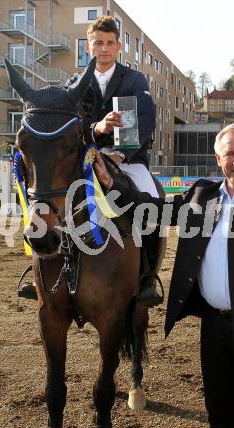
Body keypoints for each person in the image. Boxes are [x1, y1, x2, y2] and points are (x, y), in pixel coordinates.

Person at [94, 123, 234, 428]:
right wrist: (112, 183)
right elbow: (151, 211)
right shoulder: (200, 195)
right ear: (218, 158)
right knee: (220, 417)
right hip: (214, 330)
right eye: (229, 153)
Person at [68, 15, 163, 307]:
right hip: (87, 157)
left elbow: (146, 119)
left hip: (129, 158)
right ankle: (48, 270)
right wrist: (98, 128)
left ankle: (147, 276)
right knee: (54, 198)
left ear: (119, 46)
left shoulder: (134, 79)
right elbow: (70, 123)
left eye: (110, 43)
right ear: (88, 46)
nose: (104, 48)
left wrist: (121, 154)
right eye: (99, 43)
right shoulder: (74, 83)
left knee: (148, 199)